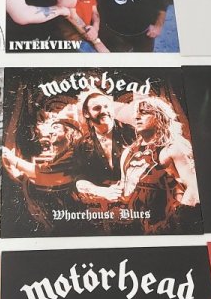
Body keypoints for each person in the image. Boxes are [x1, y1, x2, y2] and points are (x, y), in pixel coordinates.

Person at [76, 95, 199, 232]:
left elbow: (194, 187)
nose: (137, 117)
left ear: (160, 116)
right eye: (136, 113)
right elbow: (125, 190)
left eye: (144, 112)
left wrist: (176, 222)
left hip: (167, 226)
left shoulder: (173, 148)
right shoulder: (128, 152)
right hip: (137, 227)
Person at [76, 91, 135, 186]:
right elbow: (80, 175)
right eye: (97, 108)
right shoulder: (82, 144)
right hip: (102, 193)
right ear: (86, 113)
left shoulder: (131, 133)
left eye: (107, 106)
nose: (103, 111)